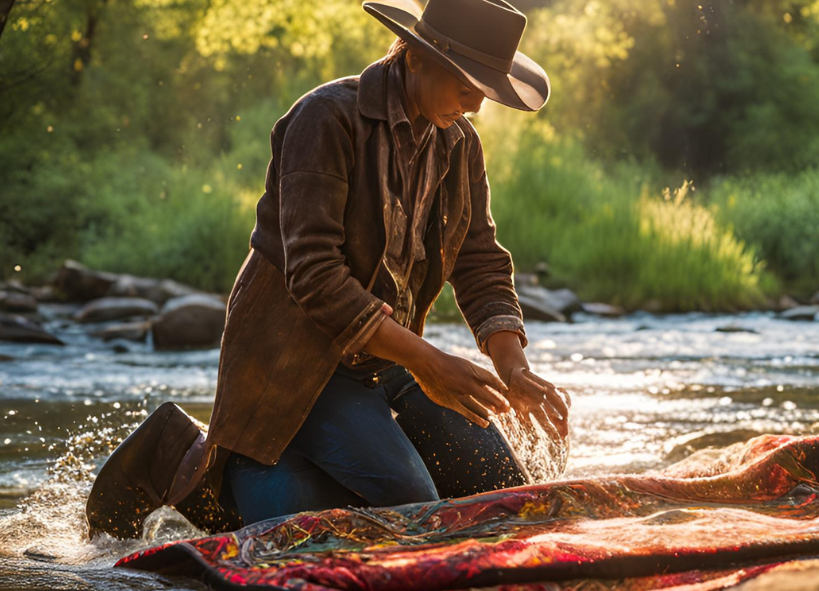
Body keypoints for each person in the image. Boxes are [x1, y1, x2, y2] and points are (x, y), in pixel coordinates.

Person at [85, 0, 570, 537]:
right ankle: (201, 470)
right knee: (407, 505)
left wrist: (514, 366)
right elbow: (315, 273)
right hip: (293, 365)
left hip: (387, 358)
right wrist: (430, 363)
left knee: (505, 491)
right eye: (465, 84)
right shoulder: (327, 118)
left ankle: (307, 469)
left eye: (485, 89)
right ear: (415, 56)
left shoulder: (459, 144)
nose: (476, 105)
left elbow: (479, 258)